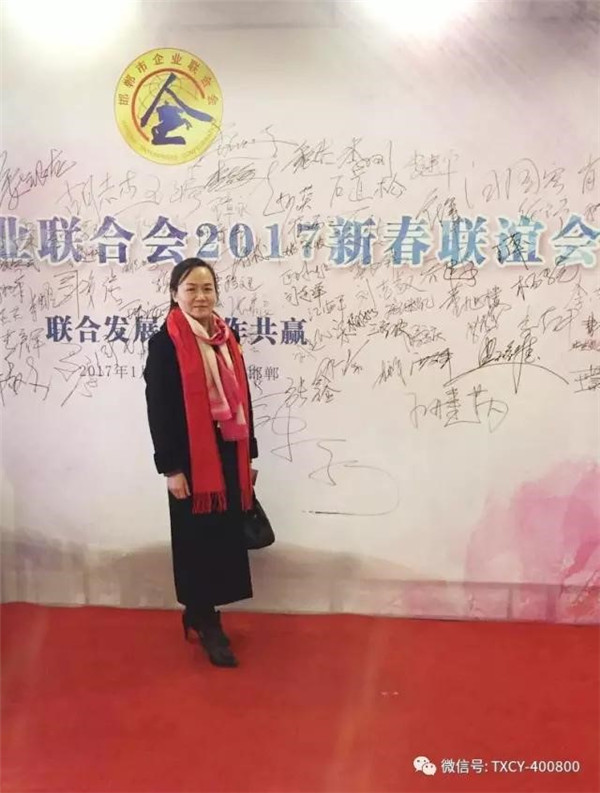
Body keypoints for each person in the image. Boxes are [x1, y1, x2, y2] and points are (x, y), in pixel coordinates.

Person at [143, 258, 258, 668]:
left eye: (207, 288)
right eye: (191, 288)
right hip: (191, 460)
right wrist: (171, 468)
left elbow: (244, 397)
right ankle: (207, 620)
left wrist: (250, 454)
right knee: (196, 541)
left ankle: (200, 612)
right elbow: (159, 410)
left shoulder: (227, 337)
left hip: (227, 452)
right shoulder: (165, 344)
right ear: (175, 294)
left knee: (223, 538)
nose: (200, 296)